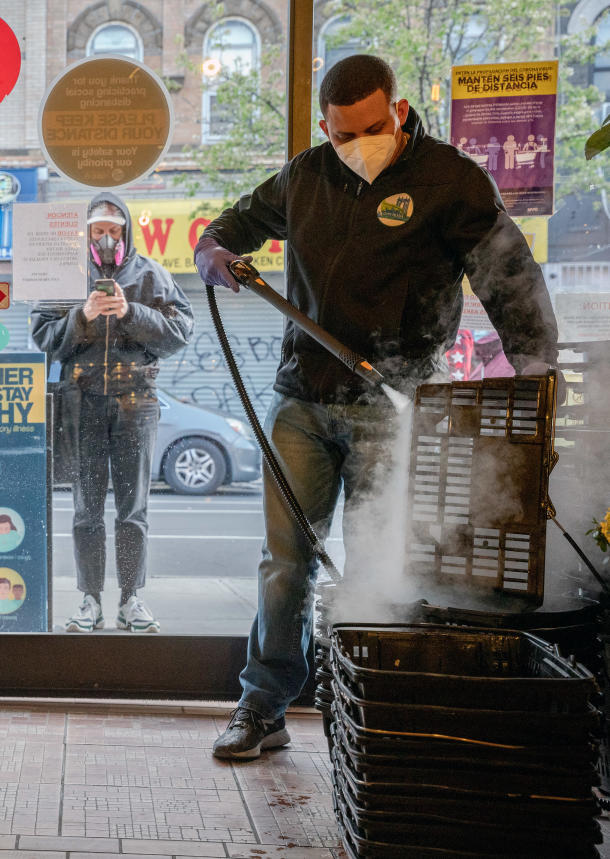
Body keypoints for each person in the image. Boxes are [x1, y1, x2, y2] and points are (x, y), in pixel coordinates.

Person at [193, 54, 557, 760]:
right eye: (341, 133)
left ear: (397, 108)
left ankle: (364, 714)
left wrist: (539, 368)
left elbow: (510, 276)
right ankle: (263, 706)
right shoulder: (306, 176)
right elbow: (236, 223)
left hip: (393, 405)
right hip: (301, 399)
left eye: (371, 126)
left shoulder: (450, 180)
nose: (358, 143)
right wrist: (213, 247)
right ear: (324, 127)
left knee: (375, 564)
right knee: (284, 564)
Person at [31, 194, 195, 634]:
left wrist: (131, 312)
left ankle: (130, 600)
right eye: (98, 230)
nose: (106, 239)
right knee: (86, 509)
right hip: (80, 403)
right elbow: (43, 334)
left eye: (114, 230)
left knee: (133, 509)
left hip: (135, 403)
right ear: (85, 233)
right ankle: (88, 599)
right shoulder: (63, 273)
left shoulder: (150, 274)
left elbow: (181, 330)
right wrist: (82, 316)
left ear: (127, 232)